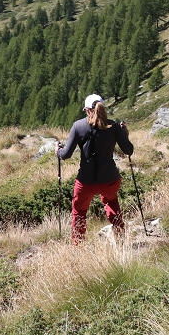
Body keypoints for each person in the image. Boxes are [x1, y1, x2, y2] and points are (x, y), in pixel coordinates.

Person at [56, 93, 134, 244]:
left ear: (86, 110)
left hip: (86, 181)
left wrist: (57, 151)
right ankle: (120, 239)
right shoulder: (114, 127)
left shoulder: (78, 126)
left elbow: (65, 155)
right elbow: (129, 150)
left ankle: (78, 246)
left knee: (79, 212)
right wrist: (125, 134)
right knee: (111, 203)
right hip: (110, 179)